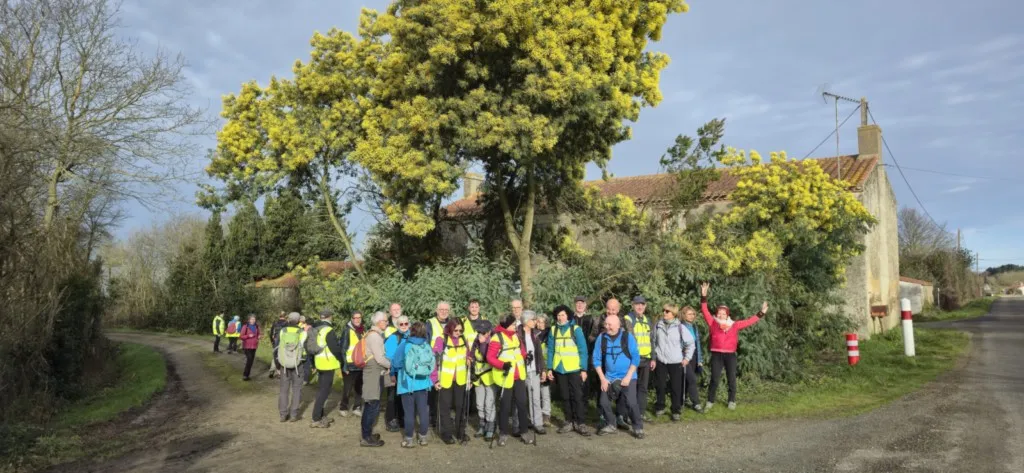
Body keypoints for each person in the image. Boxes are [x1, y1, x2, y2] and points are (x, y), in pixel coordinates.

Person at [700, 282, 768, 411]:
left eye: (723, 313)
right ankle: (710, 401)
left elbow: (749, 321)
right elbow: (704, 310)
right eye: (719, 313)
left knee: (731, 378)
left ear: (727, 315)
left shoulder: (734, 325)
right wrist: (704, 295)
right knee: (714, 379)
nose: (721, 315)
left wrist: (761, 313)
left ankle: (731, 401)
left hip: (730, 355)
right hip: (716, 354)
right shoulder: (712, 323)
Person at [593, 314, 644, 439]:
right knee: (603, 402)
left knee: (631, 403)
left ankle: (638, 428)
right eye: (605, 324)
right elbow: (596, 359)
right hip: (609, 377)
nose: (607, 327)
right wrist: (602, 379)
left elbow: (636, 358)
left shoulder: (627, 337)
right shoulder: (601, 338)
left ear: (618, 325)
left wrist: (628, 376)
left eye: (609, 325)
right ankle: (611, 424)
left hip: (628, 376)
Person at [487, 314, 535, 446]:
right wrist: (502, 365)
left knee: (522, 404)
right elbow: (490, 357)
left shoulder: (516, 336)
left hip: (519, 376)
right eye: (513, 324)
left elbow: (520, 351)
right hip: (505, 376)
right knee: (505, 406)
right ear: (506, 325)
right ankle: (503, 433)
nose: (515, 326)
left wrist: (526, 356)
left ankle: (524, 432)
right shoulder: (497, 338)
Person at [546, 305, 591, 436]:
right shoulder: (553, 330)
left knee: (577, 396)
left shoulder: (576, 329)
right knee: (565, 396)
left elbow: (583, 350)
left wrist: (584, 369)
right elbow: (550, 350)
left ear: (568, 316)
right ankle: (569, 421)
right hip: (559, 368)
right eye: (558, 315)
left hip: (574, 368)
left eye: (563, 315)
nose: (560, 318)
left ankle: (580, 423)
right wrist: (549, 368)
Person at [393, 321, 435, 448]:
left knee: (409, 413)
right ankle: (423, 437)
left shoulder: (405, 344)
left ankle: (409, 439)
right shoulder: (426, 345)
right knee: (423, 411)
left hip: (407, 384)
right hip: (423, 384)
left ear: (411, 331)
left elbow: (396, 362)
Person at [651, 304, 695, 422]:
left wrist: (687, 358)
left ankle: (676, 410)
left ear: (673, 314)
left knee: (676, 387)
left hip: (676, 361)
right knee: (660, 385)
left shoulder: (680, 327)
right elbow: (653, 342)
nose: (664, 313)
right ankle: (660, 407)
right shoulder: (658, 325)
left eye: (667, 311)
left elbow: (691, 343)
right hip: (661, 360)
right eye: (664, 310)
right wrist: (654, 358)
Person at [434, 319, 471, 444]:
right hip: (445, 380)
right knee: (445, 407)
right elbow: (434, 361)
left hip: (461, 379)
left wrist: (469, 359)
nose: (458, 333)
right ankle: (447, 434)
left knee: (461, 406)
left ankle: (461, 432)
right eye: (456, 330)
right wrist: (435, 380)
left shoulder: (463, 339)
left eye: (461, 330)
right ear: (450, 329)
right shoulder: (441, 340)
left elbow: (468, 355)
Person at [360, 311, 391, 447]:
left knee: (371, 403)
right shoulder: (375, 337)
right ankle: (366, 437)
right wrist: (391, 365)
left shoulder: (372, 334)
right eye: (385, 321)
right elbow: (380, 359)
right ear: (379, 322)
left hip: (373, 372)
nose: (387, 323)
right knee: (372, 404)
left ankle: (367, 434)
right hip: (373, 373)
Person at [310, 309, 345, 428]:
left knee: (322, 390)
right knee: (324, 392)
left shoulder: (315, 328)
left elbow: (309, 346)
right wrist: (341, 360)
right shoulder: (328, 330)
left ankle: (320, 415)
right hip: (328, 364)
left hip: (319, 362)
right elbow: (335, 348)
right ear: (330, 317)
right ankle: (316, 418)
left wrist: (312, 363)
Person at [622, 296, 653, 423]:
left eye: (642, 304)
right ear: (632, 305)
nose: (640, 307)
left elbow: (652, 340)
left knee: (643, 388)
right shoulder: (628, 319)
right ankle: (629, 414)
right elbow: (631, 338)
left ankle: (640, 413)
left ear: (645, 306)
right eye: (637, 304)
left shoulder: (647, 320)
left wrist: (653, 357)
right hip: (633, 359)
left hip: (646, 358)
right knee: (631, 388)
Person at [518, 310, 547, 434]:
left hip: (534, 370)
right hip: (521, 371)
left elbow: (539, 354)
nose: (536, 322)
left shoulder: (535, 334)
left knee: (535, 398)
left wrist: (543, 369)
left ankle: (538, 423)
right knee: (521, 399)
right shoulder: (517, 334)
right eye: (533, 320)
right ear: (526, 321)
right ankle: (523, 422)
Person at [425, 301, 451, 429]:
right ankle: (432, 417)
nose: (444, 312)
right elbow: (426, 341)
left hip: (449, 360)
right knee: (433, 390)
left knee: (445, 389)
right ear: (437, 310)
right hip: (433, 360)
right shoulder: (430, 323)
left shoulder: (452, 323)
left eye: (446, 310)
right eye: (441, 309)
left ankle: (443, 415)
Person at [383, 315, 410, 432]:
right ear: (397, 325)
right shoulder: (393, 338)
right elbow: (389, 357)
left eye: (406, 323)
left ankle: (402, 419)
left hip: (407, 372)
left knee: (404, 396)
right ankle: (390, 419)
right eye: (401, 324)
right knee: (392, 396)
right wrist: (392, 373)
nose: (404, 326)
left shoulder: (412, 336)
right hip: (395, 371)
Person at [470, 319, 496, 440]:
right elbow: (471, 354)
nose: (481, 334)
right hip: (478, 376)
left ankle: (490, 427)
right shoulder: (476, 340)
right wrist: (470, 359)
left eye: (483, 332)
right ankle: (482, 425)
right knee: (479, 403)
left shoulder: (492, 341)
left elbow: (488, 357)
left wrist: (483, 343)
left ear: (489, 332)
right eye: (479, 331)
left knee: (489, 404)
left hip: (489, 377)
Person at [277, 312, 305, 422]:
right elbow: (305, 349)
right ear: (299, 321)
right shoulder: (302, 332)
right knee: (297, 389)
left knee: (284, 390)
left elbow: (277, 347)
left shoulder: (283, 331)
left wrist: (278, 364)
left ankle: (283, 414)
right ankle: (293, 414)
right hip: (298, 364)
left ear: (288, 319)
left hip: (284, 364)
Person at [339, 311, 366, 418]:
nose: (357, 320)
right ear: (352, 319)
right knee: (347, 388)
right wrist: (344, 366)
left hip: (360, 364)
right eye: (355, 318)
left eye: (359, 317)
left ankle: (357, 407)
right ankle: (343, 407)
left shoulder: (363, 330)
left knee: (359, 387)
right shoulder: (347, 331)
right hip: (349, 364)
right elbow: (343, 349)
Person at [680, 306, 705, 413]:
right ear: (684, 315)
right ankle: (696, 403)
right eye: (689, 314)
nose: (692, 316)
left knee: (689, 379)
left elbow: (697, 343)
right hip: (684, 355)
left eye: (693, 314)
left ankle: (685, 398)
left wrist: (699, 359)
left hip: (694, 355)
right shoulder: (680, 326)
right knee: (692, 379)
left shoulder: (694, 327)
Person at [535, 313, 552, 427]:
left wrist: (547, 368)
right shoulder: (533, 333)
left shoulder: (550, 334)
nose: (540, 324)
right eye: (538, 322)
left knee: (545, 391)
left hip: (545, 365)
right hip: (535, 365)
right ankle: (536, 414)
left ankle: (546, 414)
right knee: (535, 392)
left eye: (543, 322)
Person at [239, 314, 261, 381]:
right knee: (249, 360)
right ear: (249, 320)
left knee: (251, 361)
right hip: (247, 346)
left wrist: (259, 336)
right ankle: (245, 375)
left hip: (254, 346)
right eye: (252, 319)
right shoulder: (245, 326)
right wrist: (248, 336)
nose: (253, 320)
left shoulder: (257, 326)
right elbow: (241, 336)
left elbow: (259, 334)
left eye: (254, 319)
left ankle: (247, 375)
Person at [269, 311, 288, 379]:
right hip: (283, 342)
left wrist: (272, 341)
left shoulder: (275, 323)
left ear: (279, 316)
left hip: (275, 341)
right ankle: (279, 372)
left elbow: (271, 333)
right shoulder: (287, 323)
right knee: (281, 356)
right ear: (285, 316)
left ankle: (272, 370)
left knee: (275, 356)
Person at [299, 315, 315, 384]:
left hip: (299, 351)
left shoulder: (301, 330)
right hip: (307, 351)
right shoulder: (312, 331)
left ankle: (299, 378)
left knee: (300, 366)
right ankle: (305, 380)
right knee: (306, 367)